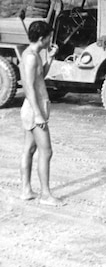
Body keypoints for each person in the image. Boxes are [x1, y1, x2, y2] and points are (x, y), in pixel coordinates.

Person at [20, 20, 63, 205]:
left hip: (34, 108)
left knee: (29, 149)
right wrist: (38, 114)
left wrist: (51, 57)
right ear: (41, 38)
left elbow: (40, 77)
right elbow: (28, 87)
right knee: (46, 151)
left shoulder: (34, 54)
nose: (49, 41)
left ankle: (26, 190)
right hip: (33, 109)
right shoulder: (30, 57)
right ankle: (45, 195)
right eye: (48, 38)